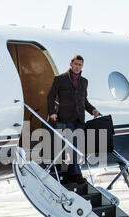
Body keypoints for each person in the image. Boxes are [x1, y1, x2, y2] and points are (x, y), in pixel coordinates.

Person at [47, 54, 100, 184]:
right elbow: (50, 97)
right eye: (75, 64)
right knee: (74, 143)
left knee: (78, 146)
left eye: (80, 65)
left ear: (82, 66)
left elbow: (84, 100)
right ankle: (76, 173)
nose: (77, 67)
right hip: (65, 118)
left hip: (79, 118)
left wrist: (92, 110)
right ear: (71, 64)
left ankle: (72, 171)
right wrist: (52, 112)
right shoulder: (60, 79)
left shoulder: (84, 82)